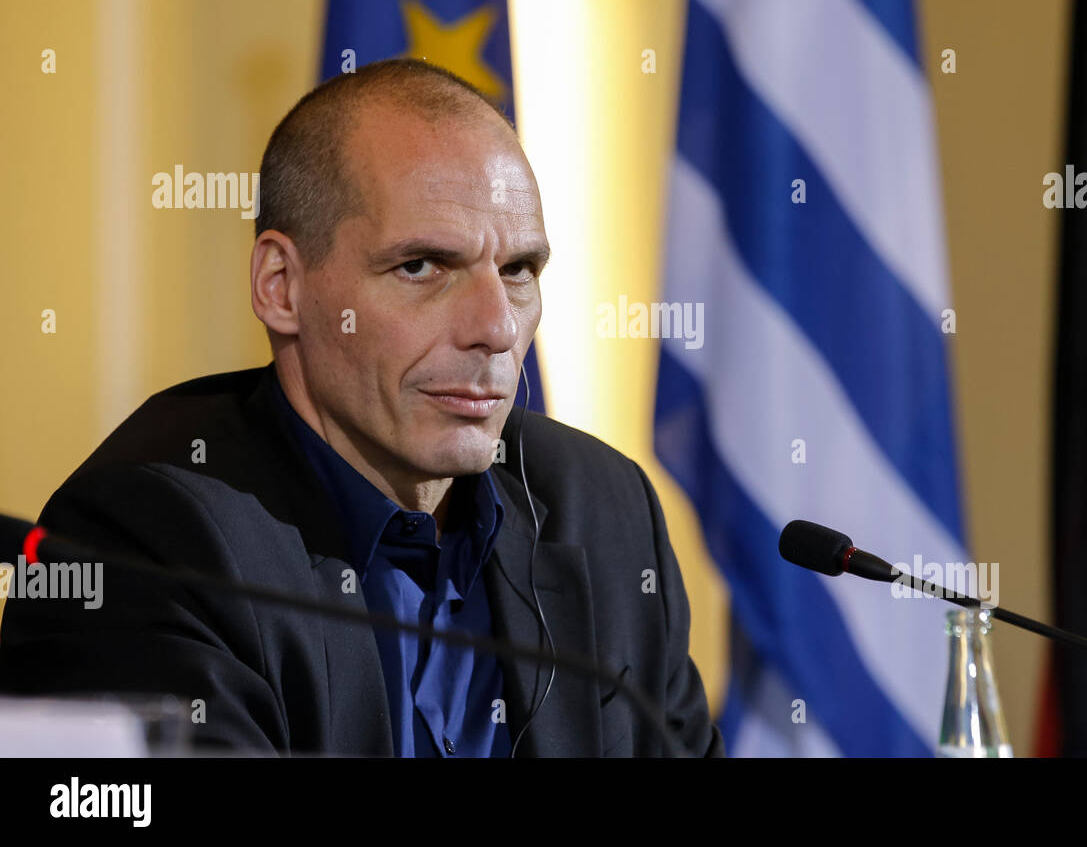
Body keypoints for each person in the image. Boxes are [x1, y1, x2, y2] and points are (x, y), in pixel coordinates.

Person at [0, 58, 723, 758]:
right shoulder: (147, 535)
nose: (497, 328)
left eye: (518, 271)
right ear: (282, 286)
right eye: (422, 267)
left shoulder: (604, 509)